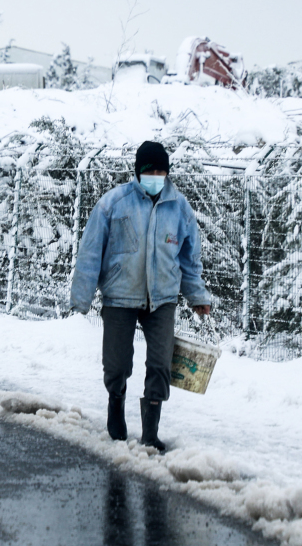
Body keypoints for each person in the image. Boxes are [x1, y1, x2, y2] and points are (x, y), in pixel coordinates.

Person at [69, 141, 212, 452]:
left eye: (161, 170)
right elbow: (91, 252)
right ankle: (115, 404)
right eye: (150, 170)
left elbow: (190, 259)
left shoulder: (179, 207)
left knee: (161, 363)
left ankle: (150, 432)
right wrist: (81, 297)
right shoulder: (114, 203)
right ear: (138, 172)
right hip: (120, 296)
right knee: (117, 364)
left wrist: (197, 295)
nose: (156, 175)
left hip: (162, 299)